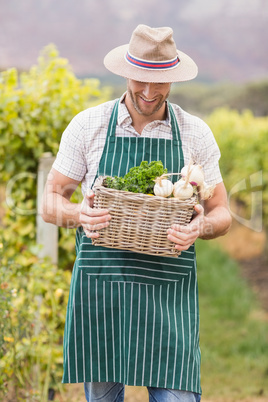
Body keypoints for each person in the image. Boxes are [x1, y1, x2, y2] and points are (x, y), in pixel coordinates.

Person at [42, 24, 232, 402]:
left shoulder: (194, 133)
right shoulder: (88, 126)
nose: (148, 91)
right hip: (102, 294)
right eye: (140, 79)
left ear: (173, 78)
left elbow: (221, 212)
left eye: (159, 81)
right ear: (126, 72)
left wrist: (201, 228)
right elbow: (50, 201)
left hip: (167, 299)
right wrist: (79, 214)